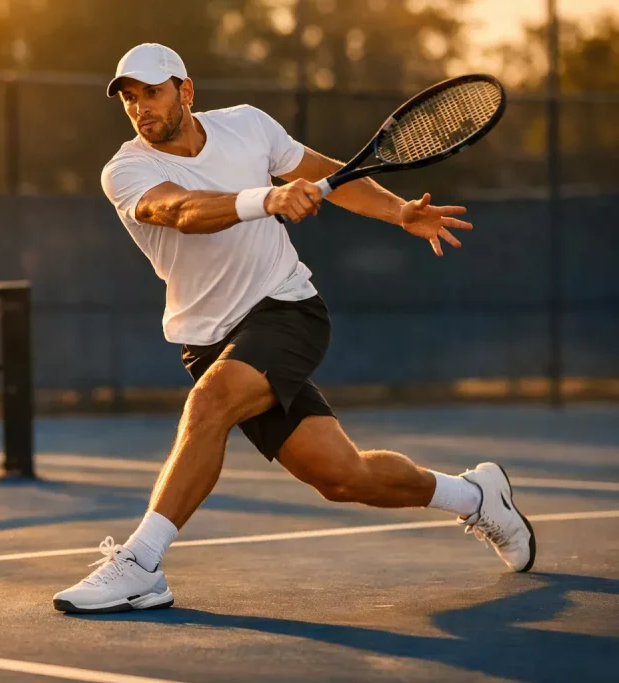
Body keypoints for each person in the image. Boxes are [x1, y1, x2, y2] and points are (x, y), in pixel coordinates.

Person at [52, 43, 535, 614]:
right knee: (343, 477)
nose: (140, 107)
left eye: (152, 92)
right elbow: (181, 211)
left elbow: (331, 174)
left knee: (209, 404)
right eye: (129, 98)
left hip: (285, 309)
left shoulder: (248, 125)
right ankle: (475, 496)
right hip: (208, 340)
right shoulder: (127, 169)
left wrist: (398, 210)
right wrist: (268, 197)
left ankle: (140, 564)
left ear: (186, 91)